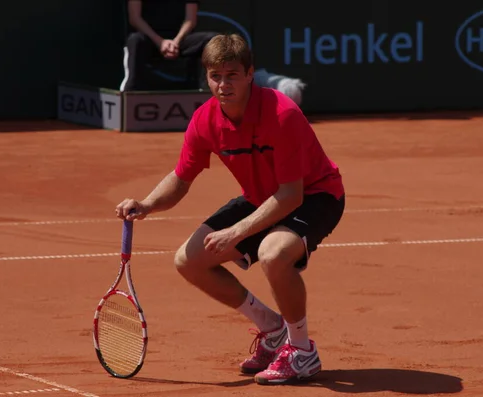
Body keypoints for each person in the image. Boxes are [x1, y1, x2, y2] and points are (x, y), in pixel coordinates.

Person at [115, 33, 345, 385]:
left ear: (250, 73)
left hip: (316, 195)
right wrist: (146, 203)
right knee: (188, 261)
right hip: (260, 196)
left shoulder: (282, 114)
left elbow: (290, 196)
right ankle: (272, 330)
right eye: (215, 76)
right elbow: (181, 177)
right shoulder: (205, 121)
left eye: (232, 75)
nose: (223, 85)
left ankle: (302, 352)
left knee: (273, 252)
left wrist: (238, 231)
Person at [120, 0, 217, 91]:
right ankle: (130, 90)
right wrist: (160, 42)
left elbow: (190, 20)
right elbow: (135, 18)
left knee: (211, 40)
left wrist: (176, 42)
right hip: (149, 38)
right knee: (135, 40)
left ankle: (205, 91)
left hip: (179, 40)